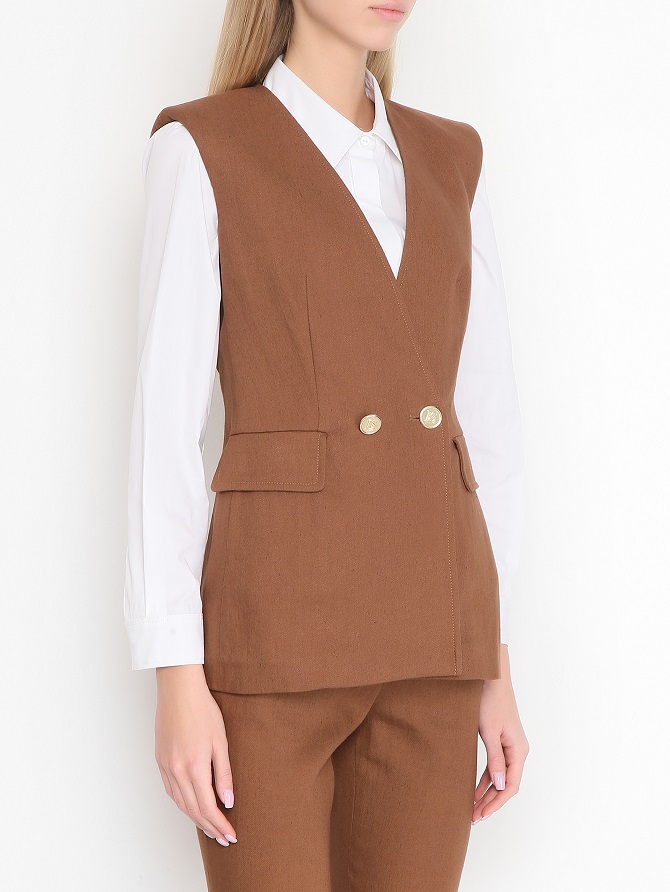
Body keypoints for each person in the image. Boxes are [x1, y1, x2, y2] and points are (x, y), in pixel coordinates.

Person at [123, 1, 530, 889]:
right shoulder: (204, 146)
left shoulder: (453, 158)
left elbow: (487, 426)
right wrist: (176, 676)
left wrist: (493, 659)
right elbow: (165, 428)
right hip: (274, 635)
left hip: (436, 633)